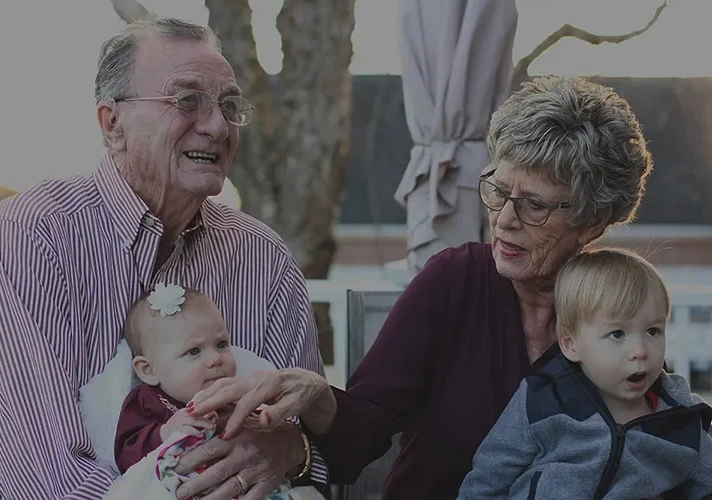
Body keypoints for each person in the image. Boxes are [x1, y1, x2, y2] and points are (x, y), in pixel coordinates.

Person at [184, 76, 657, 499]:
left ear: (591, 222)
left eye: (534, 205)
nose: (504, 221)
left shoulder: (620, 307)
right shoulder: (454, 282)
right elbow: (357, 439)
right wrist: (318, 394)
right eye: (498, 190)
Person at [0, 18, 328, 500]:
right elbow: (43, 476)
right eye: (187, 100)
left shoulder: (263, 256)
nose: (218, 126)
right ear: (113, 123)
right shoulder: (36, 233)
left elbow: (316, 454)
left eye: (229, 106)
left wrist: (293, 448)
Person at [457, 248, 712, 499]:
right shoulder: (543, 401)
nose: (640, 350)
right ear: (570, 344)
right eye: (617, 334)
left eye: (653, 331)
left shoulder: (682, 421)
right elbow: (487, 480)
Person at [113, 284, 325, 500]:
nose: (216, 359)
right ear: (149, 370)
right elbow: (126, 456)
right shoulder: (149, 401)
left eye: (222, 344)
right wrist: (166, 432)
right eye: (193, 351)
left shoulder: (240, 397)